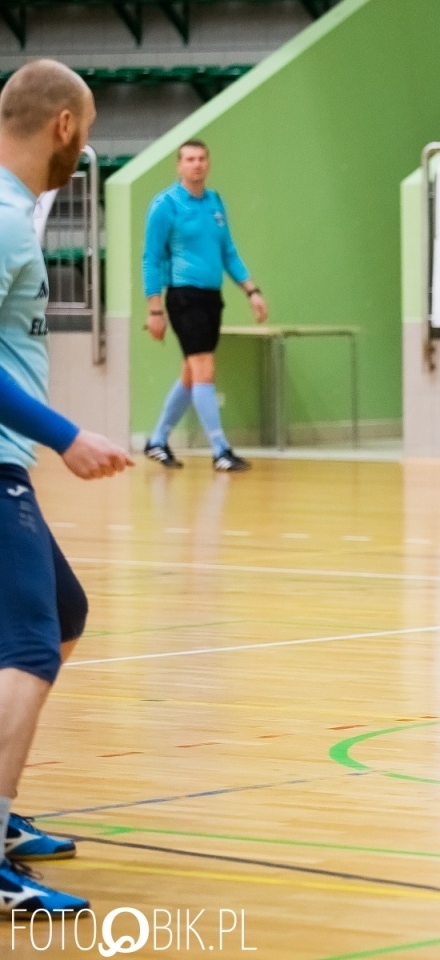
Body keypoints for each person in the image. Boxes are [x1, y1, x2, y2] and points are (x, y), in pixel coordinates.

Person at [0, 59, 135, 911]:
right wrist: (67, 436)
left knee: (64, 612)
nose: (83, 148)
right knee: (28, 648)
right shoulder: (7, 220)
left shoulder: (16, 215)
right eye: (84, 130)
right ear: (63, 127)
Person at [141, 139, 266, 472]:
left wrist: (252, 290)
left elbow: (228, 252)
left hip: (212, 297)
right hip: (184, 296)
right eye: (189, 159)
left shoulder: (214, 203)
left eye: (201, 159)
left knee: (190, 374)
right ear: (179, 166)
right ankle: (220, 450)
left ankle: (157, 440)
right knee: (205, 369)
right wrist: (155, 309)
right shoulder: (165, 205)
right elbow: (150, 258)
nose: (196, 164)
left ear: (208, 163)